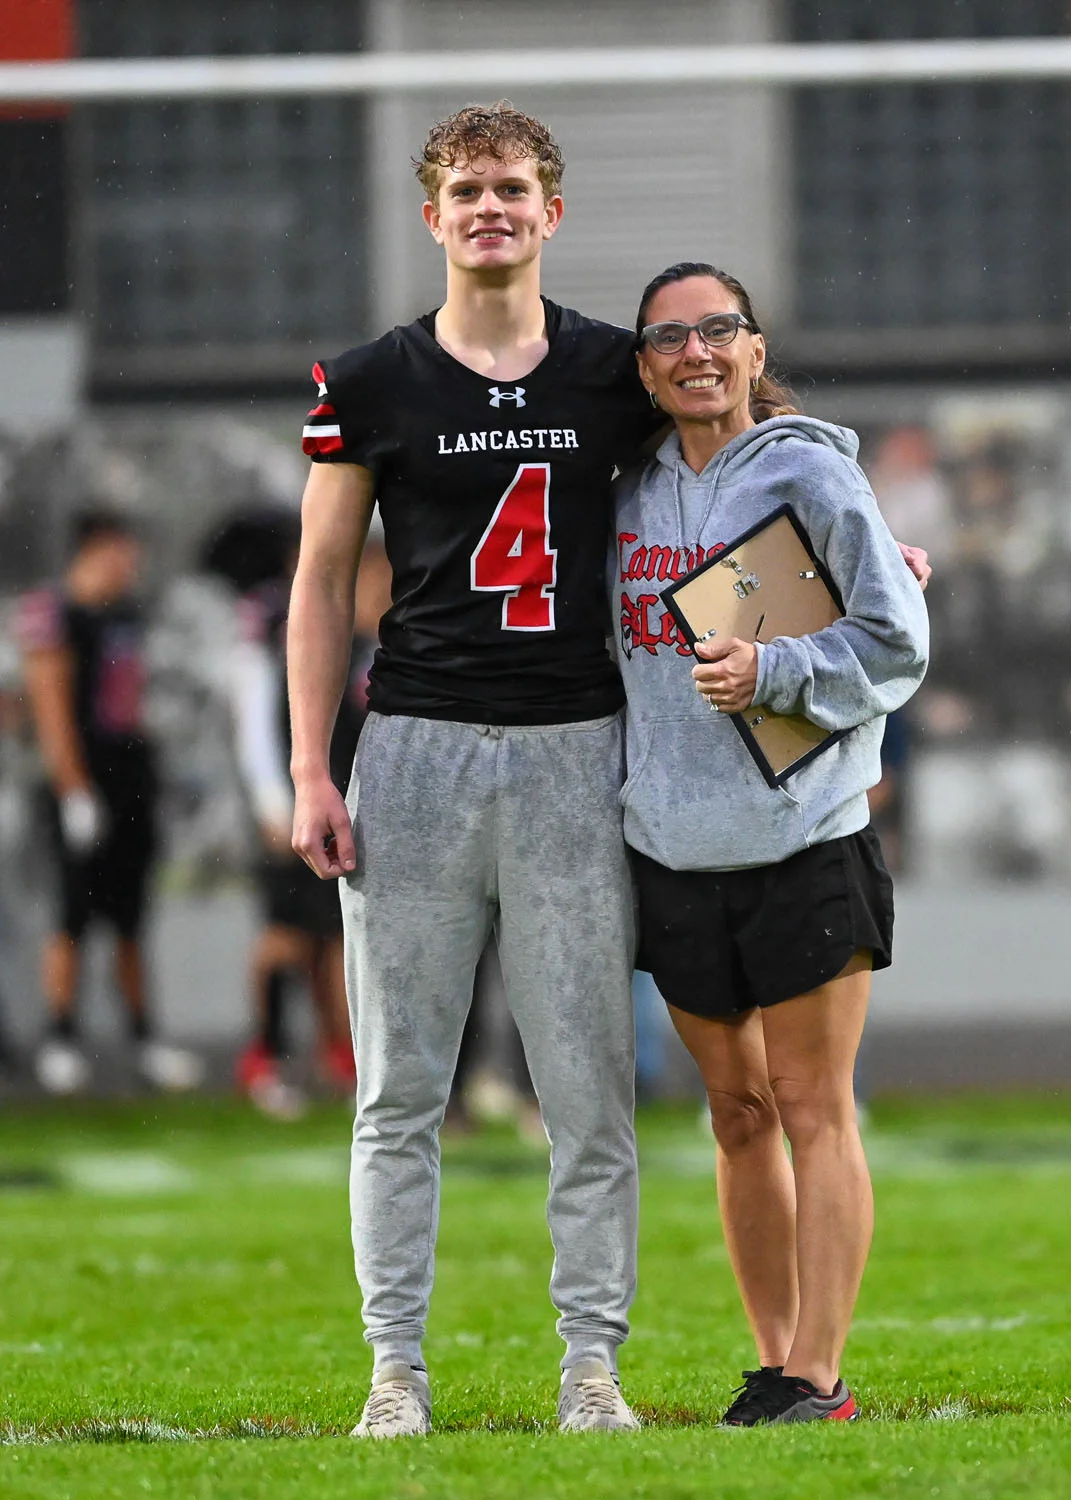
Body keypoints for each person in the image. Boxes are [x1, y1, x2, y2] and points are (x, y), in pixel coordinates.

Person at [287, 102, 931, 1439]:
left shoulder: (606, 368)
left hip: (580, 753)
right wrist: (308, 763)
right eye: (466, 188)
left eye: (513, 186)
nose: (490, 208)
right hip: (414, 747)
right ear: (433, 215)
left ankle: (594, 1370)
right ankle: (392, 1374)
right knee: (400, 1089)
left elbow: (748, 440)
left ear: (552, 210)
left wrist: (870, 557)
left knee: (589, 1094)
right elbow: (314, 581)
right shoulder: (368, 380)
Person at [612, 263, 929, 1425]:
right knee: (736, 1114)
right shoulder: (621, 491)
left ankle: (820, 1372)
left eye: (717, 330)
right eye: (667, 339)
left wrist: (776, 668)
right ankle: (774, 1359)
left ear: (753, 348)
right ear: (642, 368)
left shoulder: (815, 472)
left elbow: (898, 643)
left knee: (811, 1107)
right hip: (675, 849)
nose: (695, 352)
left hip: (806, 839)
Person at [17, 509, 203, 1096]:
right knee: (72, 916)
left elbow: (130, 702)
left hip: (129, 778)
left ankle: (144, 1038)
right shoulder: (55, 614)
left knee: (130, 917)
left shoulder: (128, 613)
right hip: (81, 781)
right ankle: (60, 1036)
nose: (130, 565)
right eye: (122, 552)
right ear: (94, 550)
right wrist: (73, 790)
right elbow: (50, 710)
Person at [232, 529, 390, 1117]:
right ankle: (265, 1056)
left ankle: (335, 1054)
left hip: (339, 813)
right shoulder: (294, 640)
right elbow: (264, 728)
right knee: (284, 935)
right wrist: (278, 800)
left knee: (331, 938)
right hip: (294, 812)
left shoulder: (365, 645)